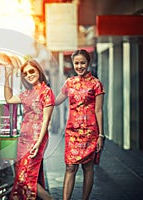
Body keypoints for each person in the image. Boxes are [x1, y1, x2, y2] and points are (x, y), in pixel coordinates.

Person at [55, 49, 105, 200]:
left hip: (90, 132)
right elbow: (56, 101)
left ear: (88, 63)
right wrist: (39, 91)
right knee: (70, 167)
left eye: (82, 62)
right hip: (72, 132)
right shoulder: (69, 83)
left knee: (87, 167)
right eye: (76, 63)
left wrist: (101, 135)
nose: (79, 66)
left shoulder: (96, 84)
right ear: (73, 64)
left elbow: (99, 111)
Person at [4, 59, 54, 200]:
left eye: (31, 71)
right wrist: (8, 76)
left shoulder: (46, 92)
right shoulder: (27, 94)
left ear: (38, 70)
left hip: (37, 138)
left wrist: (38, 143)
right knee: (23, 175)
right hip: (23, 138)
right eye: (25, 74)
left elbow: (46, 120)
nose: (29, 75)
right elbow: (9, 99)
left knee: (27, 178)